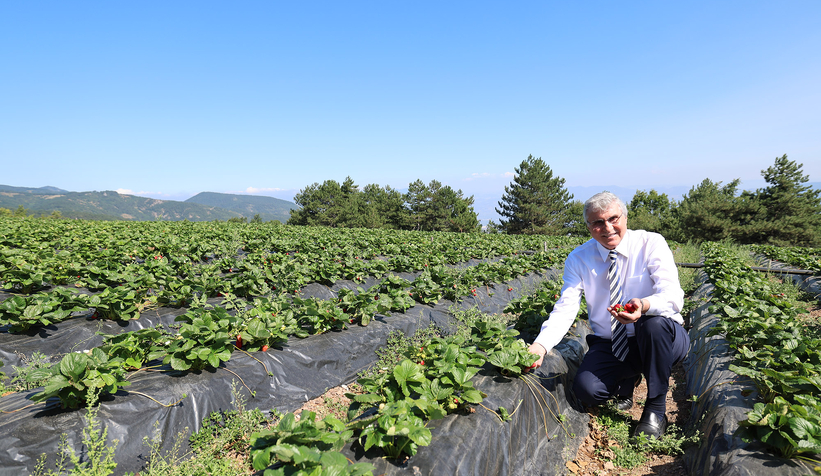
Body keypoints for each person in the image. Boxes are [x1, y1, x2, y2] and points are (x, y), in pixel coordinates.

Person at [527, 191, 689, 439]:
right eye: (598, 222)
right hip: (613, 341)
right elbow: (566, 307)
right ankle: (630, 376)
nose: (608, 227)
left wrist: (644, 305)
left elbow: (673, 296)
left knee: (652, 325)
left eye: (613, 218)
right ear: (589, 227)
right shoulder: (579, 259)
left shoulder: (650, 243)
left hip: (663, 338)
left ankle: (656, 409)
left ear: (625, 217)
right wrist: (540, 345)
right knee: (587, 390)